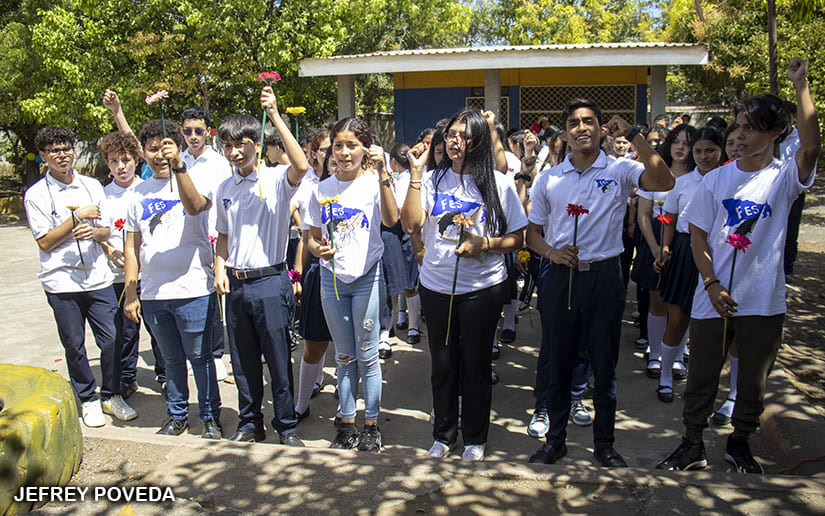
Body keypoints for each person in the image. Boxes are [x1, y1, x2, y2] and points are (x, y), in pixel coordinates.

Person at [657, 57, 819, 474]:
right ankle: (691, 443)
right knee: (701, 376)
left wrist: (800, 85)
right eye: (738, 127)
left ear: (775, 133)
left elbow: (811, 147)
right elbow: (698, 236)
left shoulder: (783, 178)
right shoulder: (716, 179)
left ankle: (739, 442)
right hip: (713, 298)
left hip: (763, 300)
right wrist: (711, 283)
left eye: (750, 128)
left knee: (752, 381)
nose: (739, 136)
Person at [525, 99, 674, 468]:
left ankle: (604, 445)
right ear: (565, 133)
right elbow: (532, 234)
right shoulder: (550, 178)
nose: (582, 128)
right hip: (561, 278)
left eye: (589, 121)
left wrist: (635, 135)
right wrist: (552, 253)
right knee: (558, 361)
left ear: (601, 128)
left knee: (604, 366)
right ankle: (555, 440)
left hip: (605, 277)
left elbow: (664, 181)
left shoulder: (620, 169)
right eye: (574, 123)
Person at [402, 109, 527, 461]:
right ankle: (443, 435)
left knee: (476, 366)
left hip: (482, 289)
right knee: (443, 365)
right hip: (437, 286)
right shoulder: (432, 180)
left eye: (463, 135)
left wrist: (484, 244)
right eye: (450, 135)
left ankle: (475, 437)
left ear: (479, 140)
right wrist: (415, 174)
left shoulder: (499, 183)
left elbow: (518, 238)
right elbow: (410, 225)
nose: (454, 141)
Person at [213, 86, 309, 445]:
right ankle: (250, 422)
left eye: (241, 145)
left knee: (279, 359)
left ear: (256, 143)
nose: (234, 152)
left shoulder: (275, 178)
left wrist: (274, 115)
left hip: (270, 281)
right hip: (237, 284)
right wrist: (219, 268)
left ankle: (286, 426)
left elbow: (301, 166)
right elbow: (223, 235)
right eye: (227, 146)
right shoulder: (224, 188)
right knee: (243, 360)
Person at [24, 126, 136, 427]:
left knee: (112, 338)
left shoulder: (91, 186)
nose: (62, 155)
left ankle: (111, 394)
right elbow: (45, 242)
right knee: (74, 344)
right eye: (54, 151)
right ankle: (88, 398)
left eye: (66, 149)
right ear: (44, 156)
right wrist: (75, 218)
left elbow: (106, 229)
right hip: (61, 282)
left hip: (98, 278)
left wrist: (94, 233)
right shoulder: (36, 195)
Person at [123, 119, 222, 439]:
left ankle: (210, 416)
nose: (159, 155)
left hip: (193, 289)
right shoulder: (137, 193)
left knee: (201, 358)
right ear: (143, 153)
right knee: (171, 360)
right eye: (152, 149)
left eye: (165, 148)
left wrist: (179, 167)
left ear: (178, 149)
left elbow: (195, 207)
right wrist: (131, 292)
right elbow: (132, 246)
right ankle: (177, 415)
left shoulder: (195, 179)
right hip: (154, 294)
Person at [306, 117, 399, 452]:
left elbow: (392, 219)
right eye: (338, 146)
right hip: (332, 280)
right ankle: (346, 424)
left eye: (352, 145)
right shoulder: (320, 190)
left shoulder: (374, 184)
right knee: (344, 356)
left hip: (367, 278)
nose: (344, 153)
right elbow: (311, 239)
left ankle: (371, 424)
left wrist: (383, 172)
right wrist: (318, 249)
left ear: (365, 149)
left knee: (368, 355)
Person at [654, 126, 724, 403]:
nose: (703, 156)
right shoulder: (681, 183)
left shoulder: (729, 181)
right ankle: (665, 376)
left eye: (710, 150)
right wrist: (665, 248)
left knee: (710, 324)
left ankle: (700, 383)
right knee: (677, 319)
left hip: (719, 253)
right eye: (698, 151)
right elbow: (669, 220)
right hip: (685, 252)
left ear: (721, 151)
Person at [632, 124, 696, 379]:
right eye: (676, 141)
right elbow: (644, 214)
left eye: (687, 143)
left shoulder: (700, 177)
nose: (681, 148)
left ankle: (678, 353)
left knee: (682, 302)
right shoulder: (656, 174)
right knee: (657, 301)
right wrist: (655, 246)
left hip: (686, 242)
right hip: (655, 239)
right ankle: (655, 352)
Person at [178, 106, 232, 382]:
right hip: (185, 236)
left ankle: (216, 352)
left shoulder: (218, 163)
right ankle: (194, 352)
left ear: (208, 132)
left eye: (198, 131)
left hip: (212, 234)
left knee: (213, 296)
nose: (193, 136)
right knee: (192, 293)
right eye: (188, 131)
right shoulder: (178, 160)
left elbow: (222, 203)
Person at [99, 130, 147, 401]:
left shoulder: (147, 190)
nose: (121, 166)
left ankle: (165, 375)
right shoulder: (102, 195)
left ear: (136, 160)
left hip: (148, 274)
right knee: (125, 331)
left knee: (157, 329)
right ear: (107, 163)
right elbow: (96, 232)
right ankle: (127, 377)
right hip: (117, 276)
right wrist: (109, 249)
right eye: (114, 161)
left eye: (126, 160)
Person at [291, 130, 333, 421]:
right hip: (320, 272)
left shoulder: (361, 185)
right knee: (314, 343)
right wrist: (297, 277)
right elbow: (306, 239)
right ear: (313, 154)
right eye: (326, 150)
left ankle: (347, 406)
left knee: (349, 349)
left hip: (354, 276)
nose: (333, 155)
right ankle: (301, 404)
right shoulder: (311, 189)